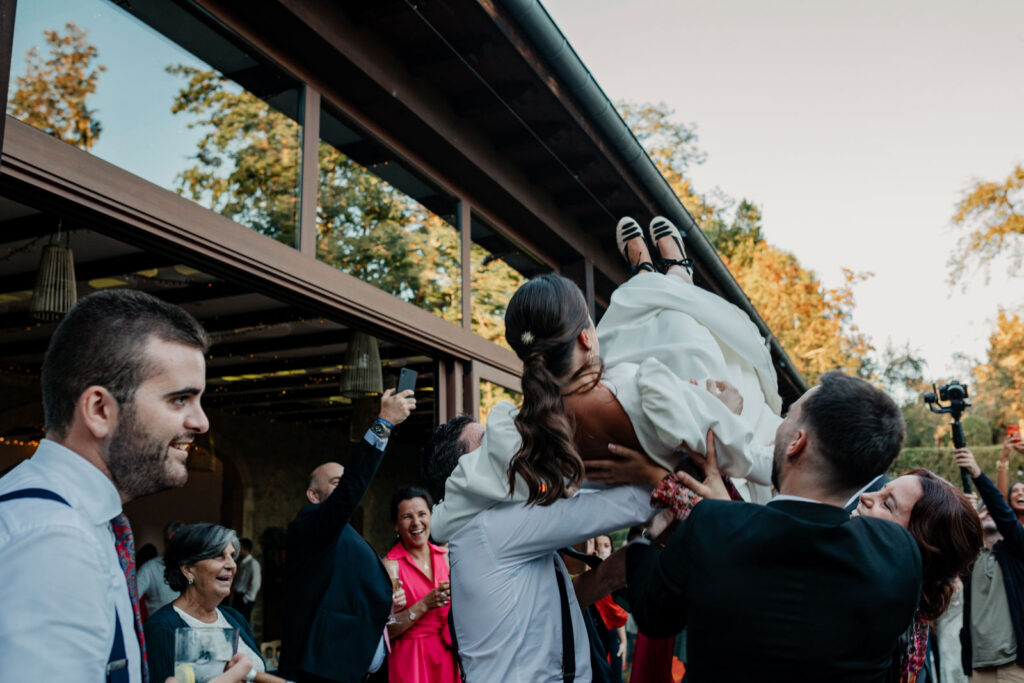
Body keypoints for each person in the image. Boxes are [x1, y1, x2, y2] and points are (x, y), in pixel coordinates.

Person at [431, 215, 790, 544]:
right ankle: (671, 280)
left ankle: (655, 279)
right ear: (586, 337)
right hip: (709, 523)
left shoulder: (512, 442)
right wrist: (721, 412)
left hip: (670, 547)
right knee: (685, 340)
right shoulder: (652, 390)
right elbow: (759, 463)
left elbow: (442, 526)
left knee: (639, 339)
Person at [0, 289, 250, 683]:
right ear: (100, 409)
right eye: (180, 399)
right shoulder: (55, 541)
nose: (201, 423)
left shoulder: (75, 520)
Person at [626, 371, 923, 681]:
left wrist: (642, 536)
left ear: (797, 442)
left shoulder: (711, 524)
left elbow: (653, 614)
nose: (779, 427)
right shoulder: (898, 554)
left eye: (788, 417)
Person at [278, 388, 416, 683]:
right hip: (323, 669)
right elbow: (352, 489)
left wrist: (385, 601)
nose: (345, 488)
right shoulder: (310, 521)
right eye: (337, 482)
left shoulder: (341, 532)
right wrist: (384, 424)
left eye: (344, 481)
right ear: (313, 495)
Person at [145, 524, 284, 683]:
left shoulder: (235, 618)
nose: (232, 565)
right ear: (189, 569)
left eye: (232, 556)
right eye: (219, 555)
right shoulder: (162, 628)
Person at [953, 447, 1024, 681]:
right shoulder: (969, 559)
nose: (989, 514)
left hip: (1015, 665)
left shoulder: (1016, 552)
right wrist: (965, 513)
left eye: (992, 512)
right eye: (982, 513)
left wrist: (976, 472)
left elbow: (1003, 512)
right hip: (978, 666)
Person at [384, 487, 459, 683]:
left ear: (432, 517)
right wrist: (424, 604)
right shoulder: (390, 566)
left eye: (422, 514)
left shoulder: (447, 557)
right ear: (396, 526)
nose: (416, 522)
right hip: (410, 660)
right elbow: (386, 631)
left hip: (448, 657)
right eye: (407, 517)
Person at [139, 520, 186, 619]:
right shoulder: (150, 568)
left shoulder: (193, 567)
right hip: (159, 626)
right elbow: (131, 597)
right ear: (165, 542)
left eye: (178, 541)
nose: (174, 546)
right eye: (170, 541)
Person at [232, 537, 262, 623]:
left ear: (244, 548)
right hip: (237, 596)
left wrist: (247, 598)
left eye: (239, 548)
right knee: (236, 621)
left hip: (244, 598)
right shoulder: (241, 563)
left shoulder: (253, 563)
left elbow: (256, 583)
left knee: (243, 622)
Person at [995, 431, 1024, 501]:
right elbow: (1001, 498)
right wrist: (1003, 457)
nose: (1020, 493)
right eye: (1015, 491)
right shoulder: (1006, 510)